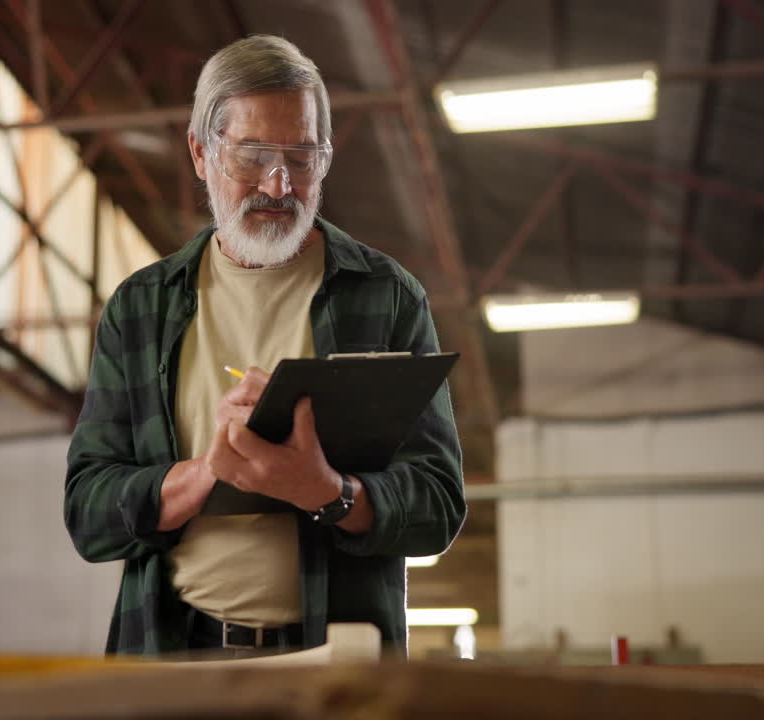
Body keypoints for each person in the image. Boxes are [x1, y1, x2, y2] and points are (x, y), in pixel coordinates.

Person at [64, 34, 464, 656]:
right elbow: (88, 513)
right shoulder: (141, 308)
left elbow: (438, 503)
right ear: (200, 153)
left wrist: (328, 492)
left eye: (302, 158)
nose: (278, 185)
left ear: (326, 160)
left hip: (335, 667)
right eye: (251, 155)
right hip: (172, 657)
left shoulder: (385, 297)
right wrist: (203, 475)